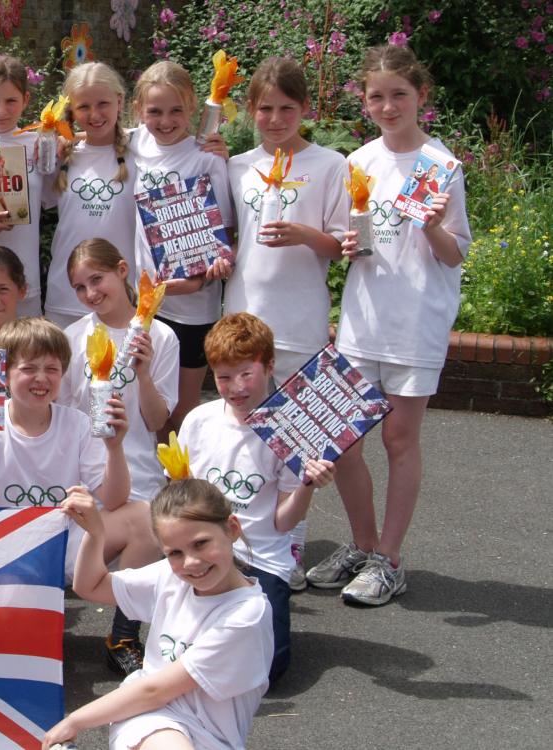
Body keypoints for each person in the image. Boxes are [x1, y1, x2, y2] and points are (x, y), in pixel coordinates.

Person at [321, 44, 472, 607]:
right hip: (364, 320)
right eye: (377, 96)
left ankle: (390, 558)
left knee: (399, 437)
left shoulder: (440, 165)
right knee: (343, 440)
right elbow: (350, 241)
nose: (388, 106)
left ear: (421, 98)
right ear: (364, 100)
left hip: (416, 322)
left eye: (399, 96)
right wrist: (348, 246)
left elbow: (453, 255)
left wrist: (432, 226)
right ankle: (361, 546)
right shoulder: (357, 162)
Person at [0, 319, 141, 628]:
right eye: (28, 369)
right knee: (15, 621)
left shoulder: (77, 423)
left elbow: (115, 498)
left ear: (63, 374)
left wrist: (115, 448)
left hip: (62, 542)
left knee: (143, 519)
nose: (41, 378)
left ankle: (123, 636)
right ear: (4, 373)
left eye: (52, 369)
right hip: (3, 546)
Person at [223, 56, 348, 585]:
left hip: (299, 316)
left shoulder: (329, 163)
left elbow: (342, 246)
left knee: (296, 434)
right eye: (265, 108)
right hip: (244, 311)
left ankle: (290, 546)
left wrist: (304, 235)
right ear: (250, 110)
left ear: (305, 110)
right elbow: (225, 234)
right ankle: (246, 537)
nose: (275, 119)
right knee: (247, 431)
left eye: (286, 109)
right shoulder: (236, 164)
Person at [41, 480, 273, 750]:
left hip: (209, 735)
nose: (191, 563)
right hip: (150, 717)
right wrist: (95, 533)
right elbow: (89, 586)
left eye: (200, 543)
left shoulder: (246, 615)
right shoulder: (171, 577)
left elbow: (158, 689)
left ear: (232, 529)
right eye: (175, 553)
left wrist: (76, 720)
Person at [179, 312, 336, 683]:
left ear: (269, 366)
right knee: (180, 642)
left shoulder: (289, 431)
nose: (236, 387)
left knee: (271, 668)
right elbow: (179, 497)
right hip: (203, 553)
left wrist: (306, 486)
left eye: (246, 374)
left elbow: (283, 522)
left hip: (261, 559)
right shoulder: (199, 422)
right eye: (223, 377)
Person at [59, 238, 177, 674]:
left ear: (123, 270)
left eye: (97, 279)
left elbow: (157, 419)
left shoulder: (159, 335)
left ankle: (124, 634)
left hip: (138, 469)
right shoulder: (74, 337)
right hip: (86, 472)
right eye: (79, 287)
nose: (91, 293)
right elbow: (65, 413)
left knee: (147, 521)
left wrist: (144, 375)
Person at [127, 60, 235, 433]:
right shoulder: (133, 143)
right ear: (139, 111)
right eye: (154, 111)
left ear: (193, 108)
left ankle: (180, 490)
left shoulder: (208, 157)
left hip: (194, 308)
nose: (166, 121)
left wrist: (202, 278)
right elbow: (87, 137)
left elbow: (223, 234)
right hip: (146, 305)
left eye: (176, 110)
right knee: (148, 408)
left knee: (181, 416)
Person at [44, 62, 136, 329]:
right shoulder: (60, 155)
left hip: (122, 298)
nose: (94, 114)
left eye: (103, 104)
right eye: (84, 106)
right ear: (72, 109)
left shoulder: (141, 149)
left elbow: (176, 143)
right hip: (66, 295)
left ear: (119, 101)